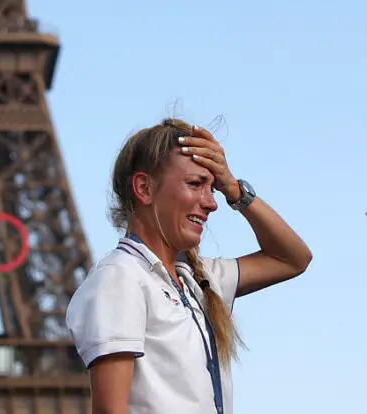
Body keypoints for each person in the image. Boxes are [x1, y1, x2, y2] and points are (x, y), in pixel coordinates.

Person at [66, 118, 312, 414]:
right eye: (196, 184)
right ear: (144, 188)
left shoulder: (199, 279)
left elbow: (294, 258)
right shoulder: (121, 278)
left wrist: (234, 189)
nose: (212, 203)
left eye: (213, 188)